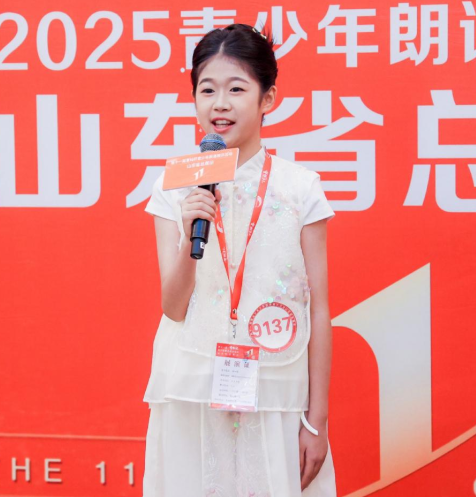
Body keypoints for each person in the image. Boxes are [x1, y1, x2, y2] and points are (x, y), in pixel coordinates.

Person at [142, 23, 337, 497]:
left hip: (275, 387)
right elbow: (173, 306)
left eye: (236, 89)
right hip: (189, 384)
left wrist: (316, 420)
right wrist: (191, 232)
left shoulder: (300, 188)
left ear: (267, 98)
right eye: (207, 90)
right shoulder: (174, 185)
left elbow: (320, 309)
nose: (220, 104)